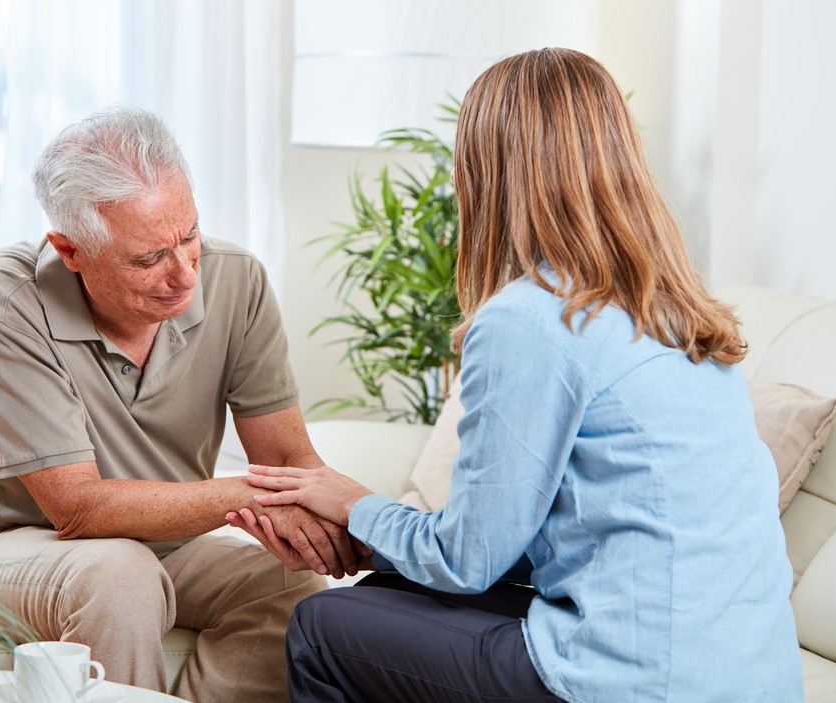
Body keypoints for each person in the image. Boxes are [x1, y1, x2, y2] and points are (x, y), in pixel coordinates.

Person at [234, 48, 805, 702]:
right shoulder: (680, 313)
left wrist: (353, 503)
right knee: (384, 594)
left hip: (638, 682)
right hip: (751, 680)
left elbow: (467, 559)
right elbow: (520, 545)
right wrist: (363, 539)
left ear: (490, 172)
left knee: (323, 626)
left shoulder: (531, 320)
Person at [0, 107, 360, 702]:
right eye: (148, 259)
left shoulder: (237, 281)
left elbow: (288, 461)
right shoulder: (3, 299)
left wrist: (375, 531)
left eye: (189, 234)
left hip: (156, 545)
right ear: (70, 250)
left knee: (287, 586)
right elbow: (79, 510)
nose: (185, 275)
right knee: (119, 576)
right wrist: (247, 494)